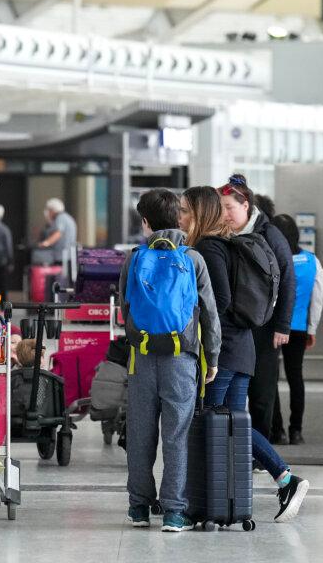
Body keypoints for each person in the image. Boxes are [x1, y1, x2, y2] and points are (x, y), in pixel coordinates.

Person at [180, 187, 309, 523]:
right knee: (234, 426)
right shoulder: (227, 243)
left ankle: (280, 479)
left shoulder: (209, 247)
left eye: (184, 211)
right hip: (242, 346)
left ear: (198, 213)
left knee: (215, 420)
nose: (180, 218)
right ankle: (239, 498)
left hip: (222, 352)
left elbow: (218, 301)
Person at [121, 189, 221, 533]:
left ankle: (138, 507)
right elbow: (209, 313)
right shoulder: (193, 258)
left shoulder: (134, 257)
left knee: (140, 433)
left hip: (142, 357)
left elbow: (126, 309)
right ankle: (175, 512)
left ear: (145, 221)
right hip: (182, 357)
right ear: (179, 218)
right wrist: (214, 358)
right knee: (177, 435)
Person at [217, 174, 295, 442]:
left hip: (265, 325)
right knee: (233, 390)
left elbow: (287, 278)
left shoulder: (268, 233)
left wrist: (283, 325)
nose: (225, 214)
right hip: (235, 324)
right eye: (221, 208)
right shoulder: (223, 235)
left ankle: (261, 451)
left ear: (246, 205)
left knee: (262, 390)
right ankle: (234, 447)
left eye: (229, 207)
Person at [269, 214, 323, 446]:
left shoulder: (271, 259)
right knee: (295, 378)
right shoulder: (312, 261)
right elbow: (317, 299)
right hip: (299, 327)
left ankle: (278, 430)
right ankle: (296, 431)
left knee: (270, 379)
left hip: (271, 328)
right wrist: (312, 328)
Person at [32, 198, 78, 266]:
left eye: (49, 210)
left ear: (53, 210)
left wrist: (45, 243)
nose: (47, 213)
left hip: (61, 256)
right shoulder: (67, 218)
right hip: (68, 255)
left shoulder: (60, 218)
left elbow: (58, 233)